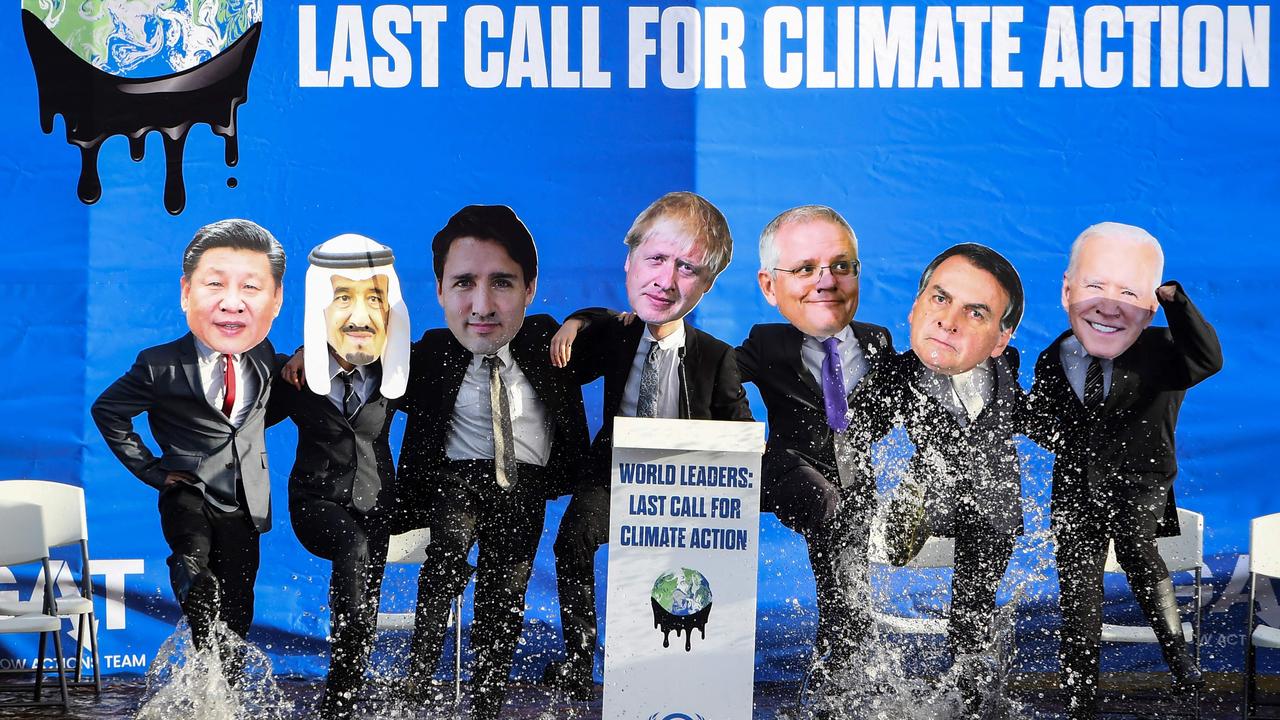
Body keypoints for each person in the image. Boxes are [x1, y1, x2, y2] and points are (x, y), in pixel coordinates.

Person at [542, 191, 754, 699]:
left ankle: (683, 660)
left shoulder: (716, 357)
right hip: (613, 476)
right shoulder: (614, 336)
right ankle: (579, 656)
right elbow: (570, 349)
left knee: (679, 571)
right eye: (655, 259)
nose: (666, 279)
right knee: (571, 541)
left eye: (688, 269)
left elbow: (739, 426)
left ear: (708, 285)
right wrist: (580, 318)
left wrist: (748, 449)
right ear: (630, 261)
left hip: (686, 490)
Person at [396, 205, 589, 719]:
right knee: (448, 552)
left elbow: (625, 331)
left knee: (504, 593)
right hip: (455, 480)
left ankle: (486, 698)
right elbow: (359, 361)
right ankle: (418, 676)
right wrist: (305, 356)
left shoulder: (550, 341)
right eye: (463, 284)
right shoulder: (431, 354)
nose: (482, 305)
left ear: (530, 289)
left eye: (502, 283)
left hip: (523, 487)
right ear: (438, 291)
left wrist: (579, 320)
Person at [1026, 222, 1222, 720]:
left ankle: (1181, 664)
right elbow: (1052, 424)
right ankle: (1080, 688)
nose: (1109, 305)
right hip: (1075, 485)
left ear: (1149, 306)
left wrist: (1175, 300)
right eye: (1095, 286)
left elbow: (1208, 359)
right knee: (1077, 582)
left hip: (1141, 480)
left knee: (1137, 553)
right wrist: (1011, 406)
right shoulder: (1055, 357)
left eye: (1128, 292)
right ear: (1067, 291)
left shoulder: (1164, 351)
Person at [91, 219, 285, 669]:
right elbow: (109, 411)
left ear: (274, 299)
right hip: (188, 489)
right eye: (215, 284)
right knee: (192, 557)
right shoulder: (160, 364)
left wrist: (297, 360)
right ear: (186, 292)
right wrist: (154, 470)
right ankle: (201, 649)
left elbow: (265, 407)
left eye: (250, 287)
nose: (231, 303)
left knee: (238, 601)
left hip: (243, 500)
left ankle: (227, 690)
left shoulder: (264, 354)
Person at [856, 243, 1026, 717]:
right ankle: (905, 517)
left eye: (975, 313)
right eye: (939, 299)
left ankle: (971, 699)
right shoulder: (896, 373)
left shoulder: (1006, 374)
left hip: (992, 507)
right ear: (915, 307)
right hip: (933, 491)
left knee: (973, 610)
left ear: (1001, 338)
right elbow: (856, 429)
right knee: (918, 500)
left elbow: (1039, 420)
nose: (949, 322)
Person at [735, 206, 893, 675]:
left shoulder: (877, 341)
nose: (826, 280)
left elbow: (896, 402)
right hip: (791, 473)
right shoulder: (767, 342)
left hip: (856, 485)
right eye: (806, 269)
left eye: (841, 266)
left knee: (845, 594)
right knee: (829, 518)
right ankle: (846, 675)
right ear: (770, 286)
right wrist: (749, 437)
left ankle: (838, 684)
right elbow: (715, 377)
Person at [268, 234, 409, 718]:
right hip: (315, 500)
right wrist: (300, 351)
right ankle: (342, 671)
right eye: (343, 299)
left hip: (376, 502)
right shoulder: (297, 373)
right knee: (352, 550)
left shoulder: (397, 372)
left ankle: (341, 697)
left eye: (372, 299)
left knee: (367, 595)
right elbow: (246, 388)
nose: (358, 316)